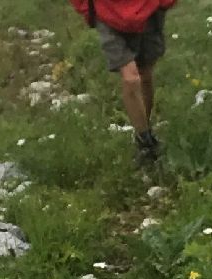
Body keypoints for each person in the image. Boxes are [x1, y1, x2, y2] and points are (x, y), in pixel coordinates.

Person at [70, 0, 176, 166]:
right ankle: (146, 143)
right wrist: (89, 9)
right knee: (131, 78)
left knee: (145, 75)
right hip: (107, 14)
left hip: (148, 10)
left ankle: (144, 129)